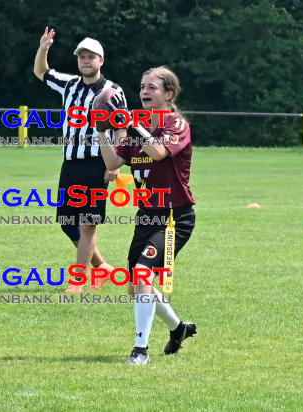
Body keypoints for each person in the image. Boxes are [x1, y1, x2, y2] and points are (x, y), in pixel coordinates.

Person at [100, 66, 197, 364]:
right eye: (142, 86)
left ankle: (140, 350)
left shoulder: (175, 123)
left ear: (168, 94)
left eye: (152, 87)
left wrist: (131, 125)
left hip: (173, 217)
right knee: (136, 286)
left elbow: (157, 152)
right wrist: (102, 129)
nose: (144, 91)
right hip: (146, 216)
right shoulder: (137, 127)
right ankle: (178, 328)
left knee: (142, 273)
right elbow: (113, 160)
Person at [33, 27, 127, 292]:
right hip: (70, 162)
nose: (86, 61)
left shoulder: (112, 91)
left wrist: (114, 164)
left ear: (101, 61)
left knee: (87, 223)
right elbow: (41, 72)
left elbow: (121, 129)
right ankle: (103, 268)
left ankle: (78, 281)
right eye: (82, 57)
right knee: (66, 222)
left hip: (97, 163)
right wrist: (44, 48)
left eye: (91, 57)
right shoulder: (69, 84)